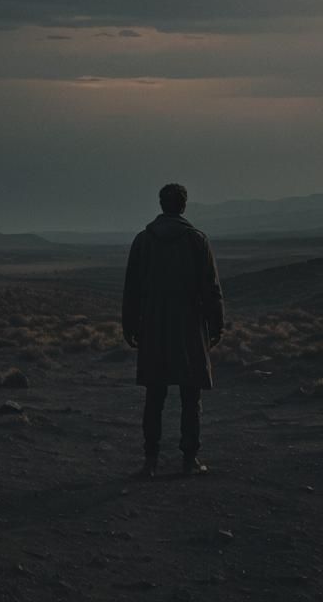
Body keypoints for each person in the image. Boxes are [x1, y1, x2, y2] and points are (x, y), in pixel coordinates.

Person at [121, 183, 224, 477]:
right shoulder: (197, 241)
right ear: (184, 205)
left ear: (161, 204)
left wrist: (130, 325)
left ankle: (150, 460)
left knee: (155, 396)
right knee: (191, 397)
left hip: (153, 326)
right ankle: (189, 459)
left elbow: (132, 289)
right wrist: (216, 324)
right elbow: (211, 288)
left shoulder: (143, 241)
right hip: (189, 327)